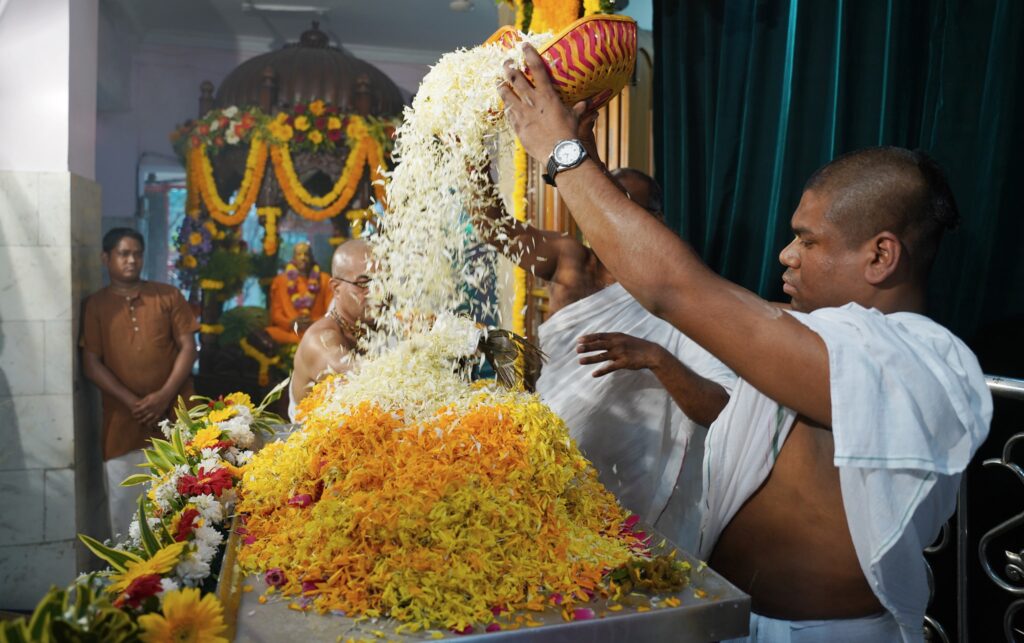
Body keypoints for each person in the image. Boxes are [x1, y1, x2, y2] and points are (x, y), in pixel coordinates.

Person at [498, 45, 992, 641]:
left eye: (807, 240)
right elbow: (718, 373)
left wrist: (564, 155)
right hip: (732, 615)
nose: (786, 255)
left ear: (880, 255)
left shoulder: (917, 363)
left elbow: (676, 290)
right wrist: (589, 163)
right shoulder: (817, 339)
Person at [477, 150, 734, 551]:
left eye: (623, 207)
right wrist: (475, 167)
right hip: (546, 456)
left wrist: (655, 357)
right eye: (600, 204)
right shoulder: (569, 260)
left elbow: (719, 409)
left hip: (629, 477)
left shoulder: (675, 289)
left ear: (656, 220)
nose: (609, 218)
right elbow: (493, 227)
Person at [80, 228, 199, 538]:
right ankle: (130, 582)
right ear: (106, 258)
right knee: (125, 516)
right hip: (123, 425)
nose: (132, 260)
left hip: (173, 419)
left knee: (181, 510)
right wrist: (133, 402)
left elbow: (189, 347)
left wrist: (164, 395)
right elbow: (91, 364)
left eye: (137, 254)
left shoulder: (167, 295)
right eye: (123, 254)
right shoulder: (96, 305)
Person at [289, 240, 373, 421]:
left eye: (386, 280)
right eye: (364, 282)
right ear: (336, 288)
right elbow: (362, 380)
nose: (378, 291)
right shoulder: (319, 340)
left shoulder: (378, 325)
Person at [266, 241, 332, 345]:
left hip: (317, 332)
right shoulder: (281, 281)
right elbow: (276, 314)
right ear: (293, 258)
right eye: (299, 254)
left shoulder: (324, 279)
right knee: (269, 333)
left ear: (312, 257)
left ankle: (306, 342)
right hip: (290, 332)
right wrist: (291, 323)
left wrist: (314, 323)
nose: (303, 258)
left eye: (306, 254)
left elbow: (332, 313)